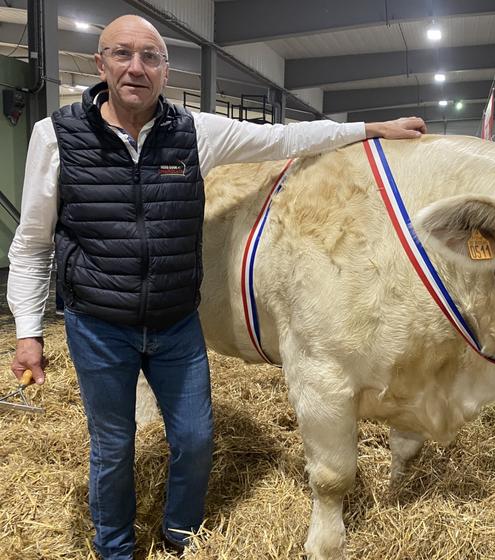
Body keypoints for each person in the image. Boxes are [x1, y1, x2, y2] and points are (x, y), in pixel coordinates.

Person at [6, 15, 426, 560]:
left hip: (178, 323)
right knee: (114, 447)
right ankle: (114, 547)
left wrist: (368, 130)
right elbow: (32, 242)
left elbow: (284, 138)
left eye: (150, 57)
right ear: (100, 63)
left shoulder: (193, 132)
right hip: (99, 325)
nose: (136, 67)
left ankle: (182, 538)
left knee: (196, 440)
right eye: (123, 54)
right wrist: (28, 332)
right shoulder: (56, 135)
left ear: (165, 69)